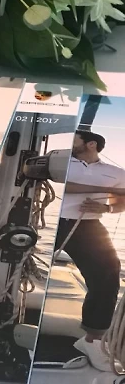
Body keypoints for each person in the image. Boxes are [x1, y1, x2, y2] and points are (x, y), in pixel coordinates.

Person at [55, 129, 125, 372]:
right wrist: (109, 190)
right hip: (51, 221)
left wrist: (106, 208)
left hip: (87, 225)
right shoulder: (60, 162)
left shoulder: (116, 173)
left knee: (108, 274)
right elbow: (63, 186)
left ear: (91, 144)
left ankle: (92, 340)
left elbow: (121, 202)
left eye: (75, 139)